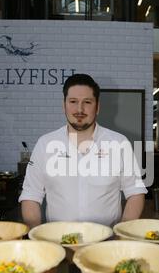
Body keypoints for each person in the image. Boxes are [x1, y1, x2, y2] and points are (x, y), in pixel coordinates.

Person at [19, 73, 147, 229]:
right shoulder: (45, 144)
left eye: (87, 102)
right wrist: (37, 238)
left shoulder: (119, 143)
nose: (79, 109)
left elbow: (135, 193)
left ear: (97, 106)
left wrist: (122, 235)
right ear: (64, 105)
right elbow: (31, 195)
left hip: (105, 244)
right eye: (73, 101)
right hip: (57, 242)